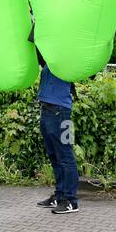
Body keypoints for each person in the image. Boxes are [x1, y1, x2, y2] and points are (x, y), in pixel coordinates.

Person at [37, 58, 79, 214]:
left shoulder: (66, 60)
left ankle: (70, 201)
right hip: (47, 110)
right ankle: (60, 196)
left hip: (61, 113)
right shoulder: (50, 60)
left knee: (66, 156)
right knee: (54, 156)